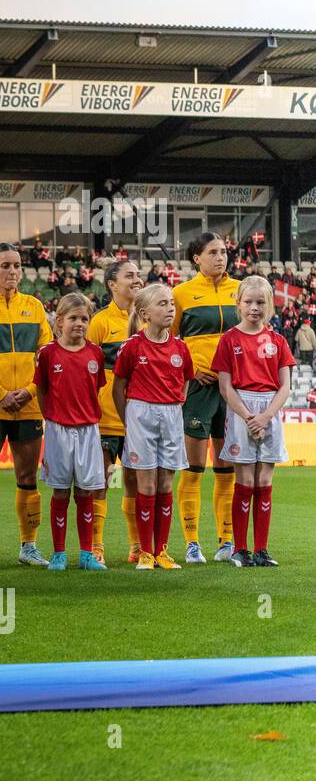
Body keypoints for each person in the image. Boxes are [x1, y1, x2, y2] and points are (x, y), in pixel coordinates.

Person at [0, 242, 53, 567]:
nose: (12, 271)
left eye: (16, 265)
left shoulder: (34, 306)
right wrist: (0, 392)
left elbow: (46, 357)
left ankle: (28, 547)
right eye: (5, 265)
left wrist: (30, 391)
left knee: (27, 477)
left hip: (29, 405)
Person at [112, 283, 195, 570]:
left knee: (165, 483)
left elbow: (185, 379)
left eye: (171, 302)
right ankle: (145, 552)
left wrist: (175, 404)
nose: (170, 308)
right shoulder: (132, 346)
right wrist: (129, 420)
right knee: (145, 484)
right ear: (145, 313)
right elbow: (118, 386)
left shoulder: (180, 347)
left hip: (171, 413)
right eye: (162, 303)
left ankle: (162, 551)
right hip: (140, 413)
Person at [212, 275, 293, 568]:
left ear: (270, 305)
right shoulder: (229, 339)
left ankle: (262, 549)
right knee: (244, 480)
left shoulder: (278, 341)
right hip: (241, 411)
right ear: (238, 303)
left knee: (264, 480)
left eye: (261, 302)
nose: (254, 308)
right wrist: (248, 417)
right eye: (249, 302)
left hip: (269, 410)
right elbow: (225, 387)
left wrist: (266, 416)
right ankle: (240, 549)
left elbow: (285, 386)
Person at [172, 232, 240, 564]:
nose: (220, 257)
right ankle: (191, 542)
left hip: (234, 389)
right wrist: (190, 368)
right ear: (196, 258)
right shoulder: (181, 294)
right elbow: (164, 342)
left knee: (226, 467)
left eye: (223, 252)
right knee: (195, 467)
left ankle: (226, 540)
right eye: (212, 252)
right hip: (198, 389)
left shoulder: (240, 290)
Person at [34, 293, 108, 571]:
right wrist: (52, 417)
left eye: (84, 318)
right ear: (59, 321)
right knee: (61, 492)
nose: (79, 323)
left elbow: (96, 388)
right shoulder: (48, 353)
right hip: (58, 429)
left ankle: (87, 554)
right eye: (73, 318)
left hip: (88, 430)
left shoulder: (95, 353)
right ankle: (59, 553)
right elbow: (42, 390)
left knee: (85, 493)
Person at [87, 259, 145, 565]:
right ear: (112, 284)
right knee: (101, 482)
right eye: (129, 275)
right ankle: (96, 546)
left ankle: (137, 546)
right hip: (106, 418)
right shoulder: (100, 323)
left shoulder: (146, 321)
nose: (137, 280)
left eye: (138, 275)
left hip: (138, 420)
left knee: (134, 483)